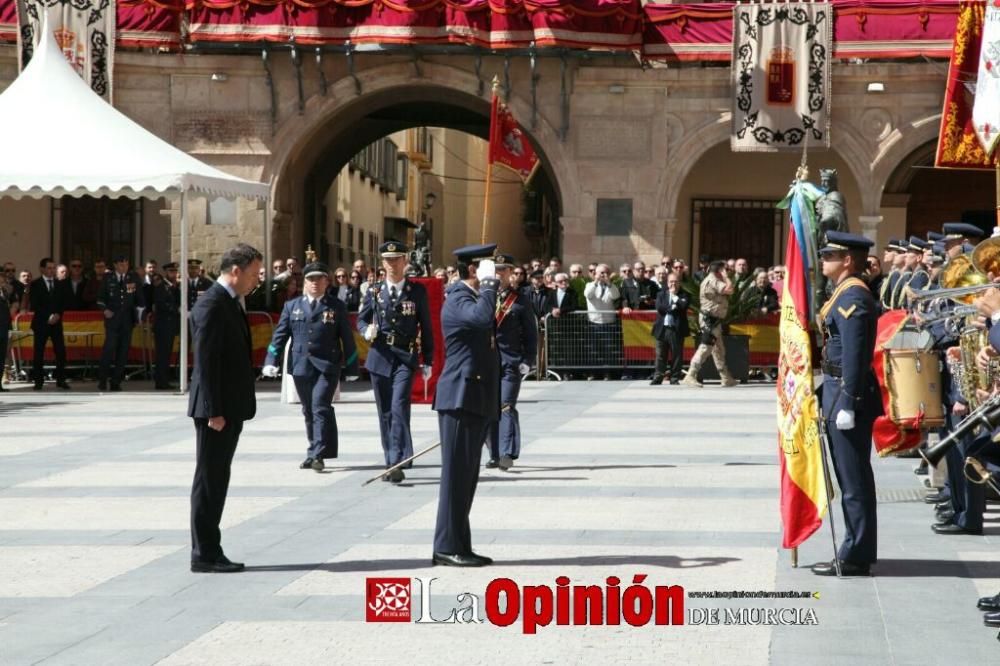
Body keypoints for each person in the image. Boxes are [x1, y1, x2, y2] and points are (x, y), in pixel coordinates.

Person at [188, 243, 262, 574]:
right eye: (254, 273)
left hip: (229, 406)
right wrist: (213, 410)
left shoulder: (229, 302)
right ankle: (204, 553)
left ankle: (211, 549)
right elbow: (204, 363)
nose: (256, 280)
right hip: (215, 412)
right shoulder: (211, 304)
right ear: (236, 270)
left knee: (218, 478)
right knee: (209, 480)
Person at [810, 231, 881, 577]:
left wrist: (848, 402)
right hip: (836, 389)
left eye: (829, 255)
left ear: (847, 260)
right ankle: (855, 546)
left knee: (854, 480)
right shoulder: (842, 293)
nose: (823, 259)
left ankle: (857, 553)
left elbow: (855, 356)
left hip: (848, 393)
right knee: (847, 478)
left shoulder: (854, 296)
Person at [432, 243, 501, 567]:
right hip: (460, 398)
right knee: (456, 477)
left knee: (466, 478)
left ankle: (460, 542)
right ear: (473, 271)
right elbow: (483, 318)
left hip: (473, 397)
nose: (497, 274)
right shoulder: (460, 299)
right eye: (490, 269)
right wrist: (488, 286)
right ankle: (446, 546)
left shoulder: (469, 298)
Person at [263, 262, 359, 472]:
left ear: (327, 281)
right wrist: (271, 361)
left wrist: (352, 368)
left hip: (327, 365)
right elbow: (280, 336)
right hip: (301, 365)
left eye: (319, 278)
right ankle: (314, 449)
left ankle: (317, 454)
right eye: (311, 279)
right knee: (308, 410)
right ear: (303, 282)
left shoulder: (336, 306)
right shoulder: (292, 306)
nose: (315, 283)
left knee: (320, 406)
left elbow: (347, 339)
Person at [357, 240, 435, 483]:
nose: (392, 264)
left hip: (404, 356)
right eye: (388, 260)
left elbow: (427, 326)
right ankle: (395, 454)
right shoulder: (373, 291)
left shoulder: (417, 292)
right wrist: (365, 330)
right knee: (386, 412)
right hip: (380, 355)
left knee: (400, 406)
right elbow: (361, 320)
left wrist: (428, 360)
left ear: (405, 262)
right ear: (382, 263)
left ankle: (395, 460)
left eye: (397, 259)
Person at [485, 254, 537, 471]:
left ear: (510, 273)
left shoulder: (520, 299)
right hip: (486, 361)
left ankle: (507, 452)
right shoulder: (484, 297)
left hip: (510, 361)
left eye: (503, 270)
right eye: (496, 269)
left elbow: (530, 332)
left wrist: (528, 359)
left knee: (506, 405)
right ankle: (494, 453)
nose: (500, 273)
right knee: (489, 408)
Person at [683, 260, 737, 387]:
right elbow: (730, 290)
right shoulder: (713, 280)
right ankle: (690, 375)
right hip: (709, 320)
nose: (728, 272)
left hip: (715, 320)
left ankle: (725, 377)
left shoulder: (714, 280)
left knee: (718, 349)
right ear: (720, 271)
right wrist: (726, 277)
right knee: (706, 347)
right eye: (726, 269)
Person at [97, 256, 145, 392]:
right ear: (115, 265)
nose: (124, 267)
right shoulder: (108, 278)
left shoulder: (133, 277)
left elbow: (140, 299)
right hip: (112, 319)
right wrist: (105, 310)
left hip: (127, 320)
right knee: (109, 348)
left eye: (126, 264)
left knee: (123, 351)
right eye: (121, 264)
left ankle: (116, 381)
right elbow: (100, 298)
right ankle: (102, 379)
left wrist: (140, 315)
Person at [29, 258, 70, 391]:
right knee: (38, 353)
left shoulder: (60, 284)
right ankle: (38, 381)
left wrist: (57, 314)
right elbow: (35, 304)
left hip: (56, 323)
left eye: (53, 268)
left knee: (60, 351)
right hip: (41, 323)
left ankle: (61, 379)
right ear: (42, 269)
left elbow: (63, 302)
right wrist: (48, 316)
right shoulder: (35, 284)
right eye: (49, 268)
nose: (51, 270)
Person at [650, 273, 690, 385]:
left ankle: (674, 378)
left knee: (677, 355)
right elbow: (660, 308)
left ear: (679, 283)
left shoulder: (684, 295)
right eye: (671, 281)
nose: (673, 284)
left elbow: (683, 306)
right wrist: (672, 307)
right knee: (660, 354)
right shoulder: (661, 294)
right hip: (662, 328)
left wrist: (675, 298)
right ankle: (658, 377)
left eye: (676, 281)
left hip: (676, 329)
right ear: (667, 283)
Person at [583, 264, 620, 381]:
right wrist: (596, 281)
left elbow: (615, 296)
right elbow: (588, 294)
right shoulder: (590, 285)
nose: (603, 275)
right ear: (595, 274)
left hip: (609, 323)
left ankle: (607, 373)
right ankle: (593, 373)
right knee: (593, 349)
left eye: (605, 273)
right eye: (600, 273)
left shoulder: (611, 286)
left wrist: (609, 283)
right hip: (594, 322)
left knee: (608, 349)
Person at [153, 262, 182, 390]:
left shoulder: (174, 286)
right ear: (166, 272)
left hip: (170, 325)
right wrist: (177, 309)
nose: (174, 274)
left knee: (166, 354)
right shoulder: (161, 286)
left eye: (175, 271)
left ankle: (163, 380)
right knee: (162, 354)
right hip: (163, 325)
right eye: (171, 271)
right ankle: (161, 381)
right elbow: (161, 304)